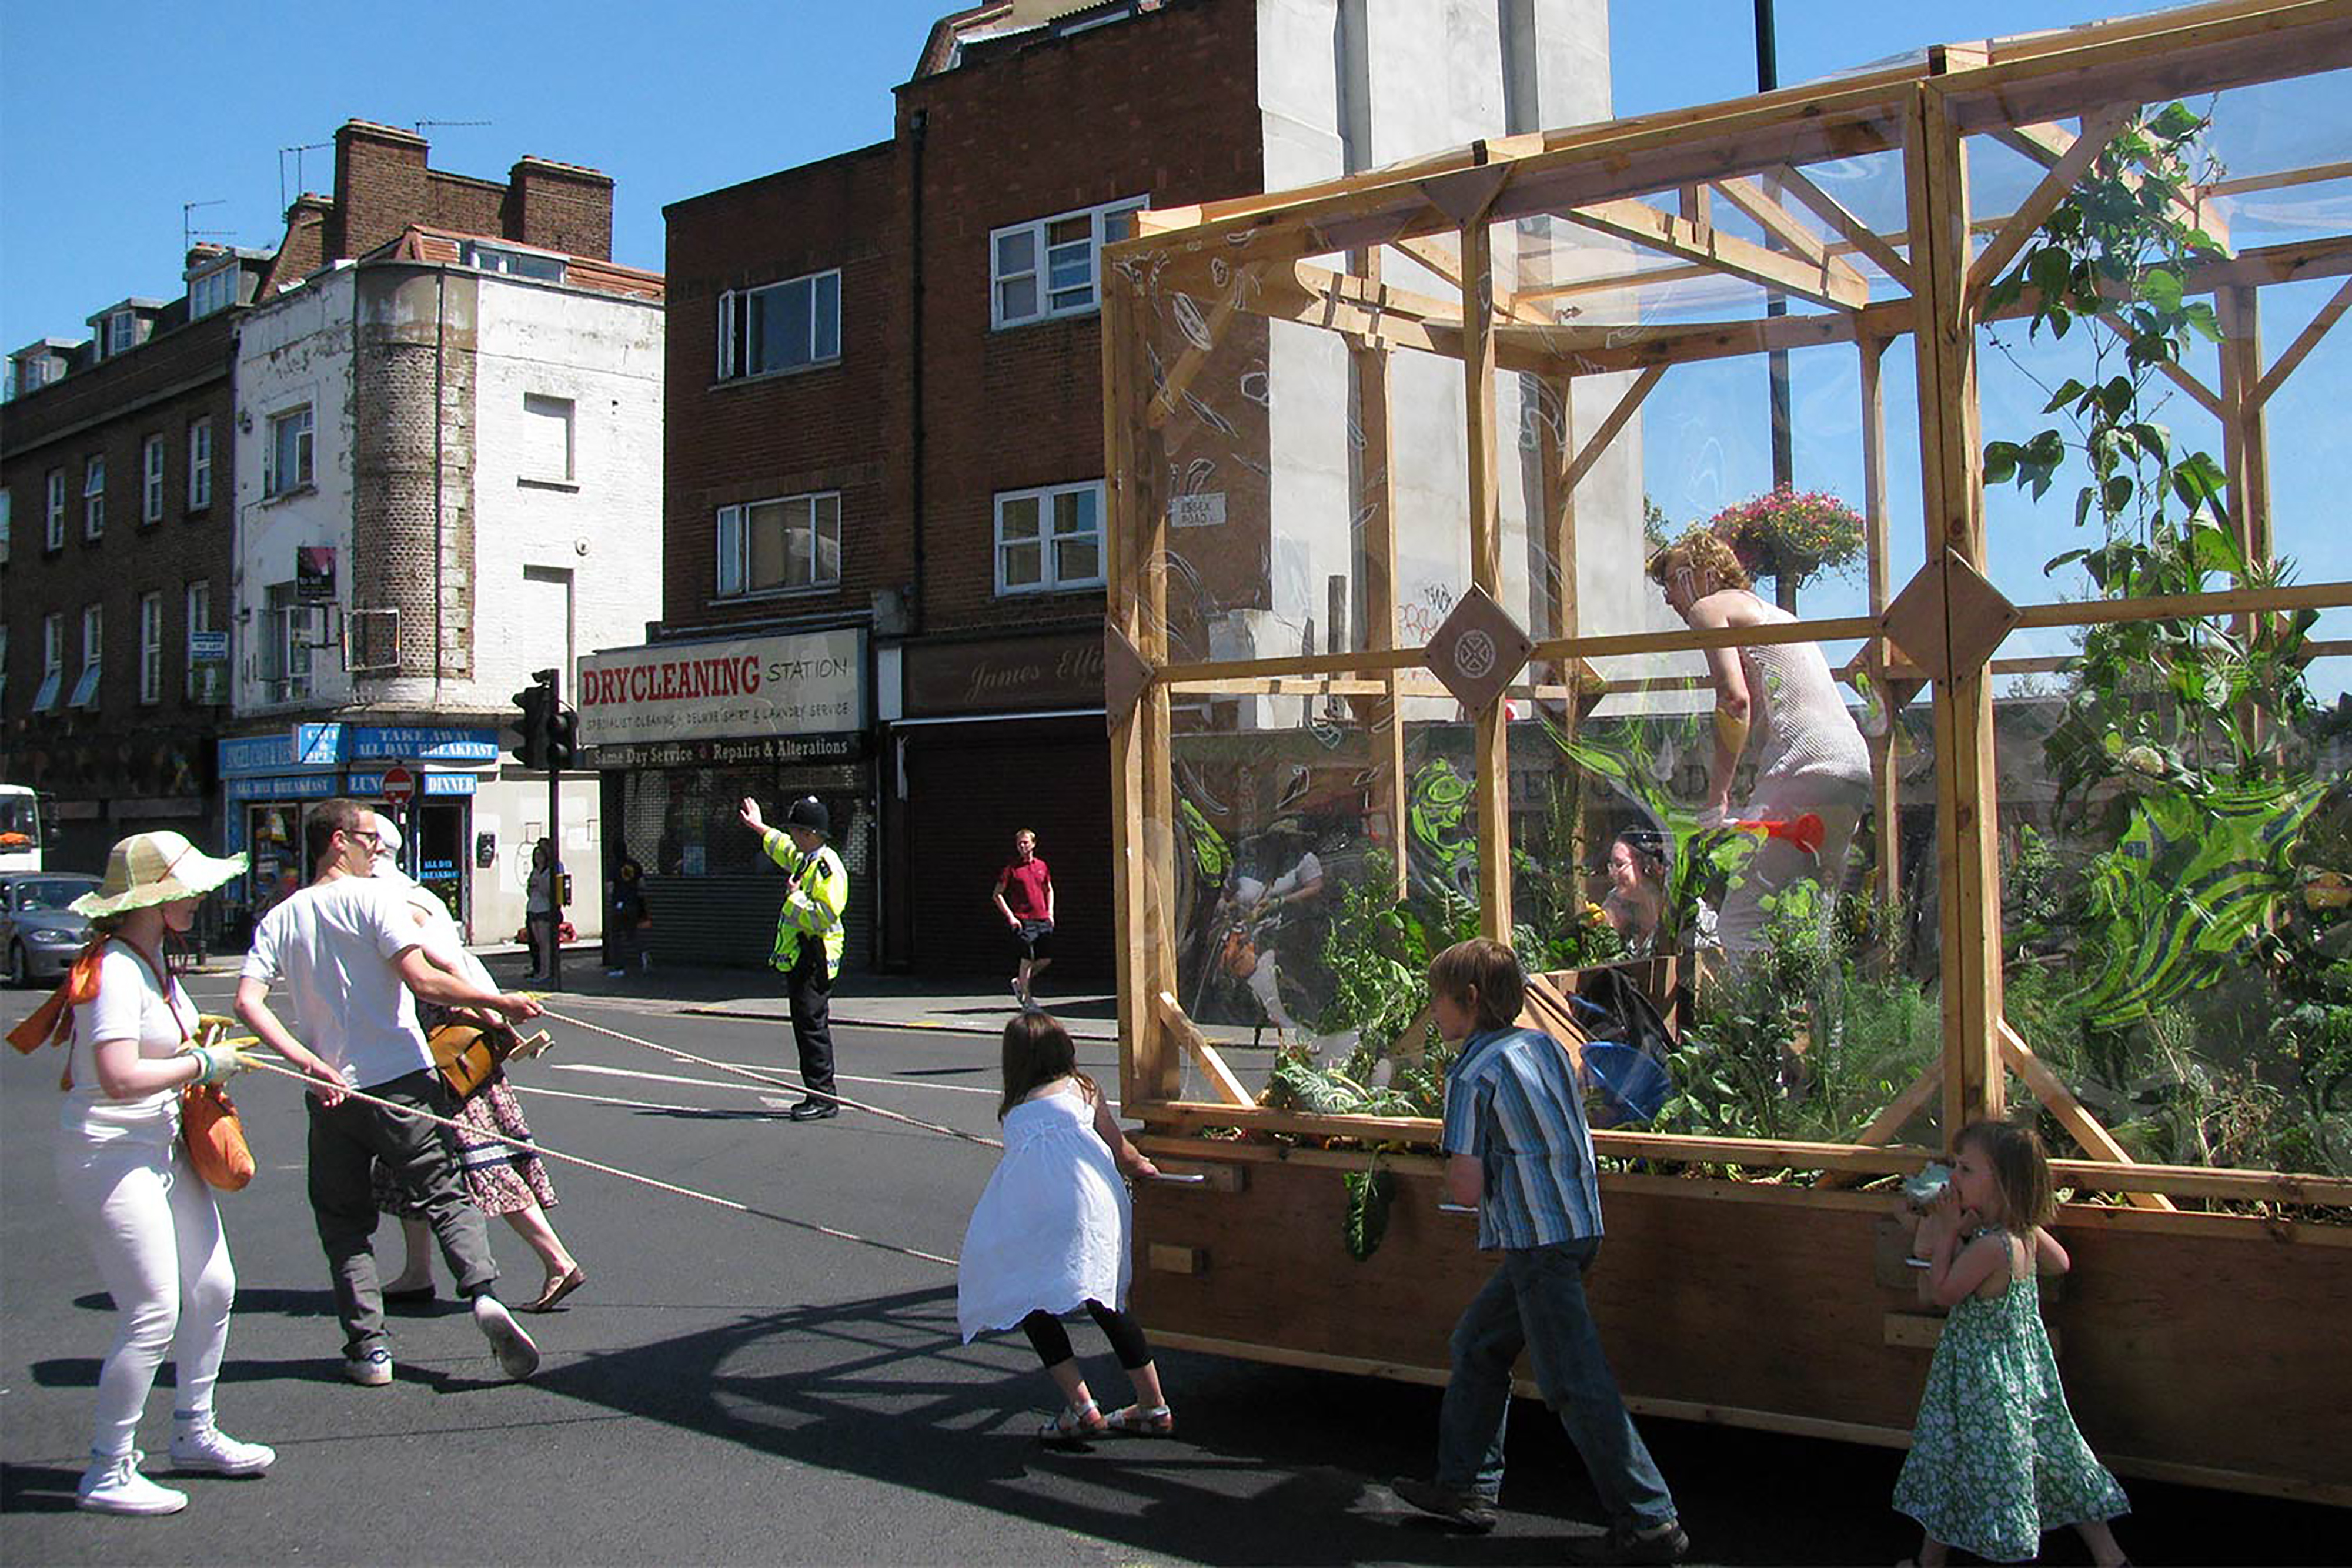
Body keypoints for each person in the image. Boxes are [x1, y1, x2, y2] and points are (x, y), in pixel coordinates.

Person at [31, 833, 336, 1515]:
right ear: (154, 898)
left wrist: (206, 1048)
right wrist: (203, 1066)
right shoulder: (112, 969)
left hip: (159, 1146)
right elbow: (116, 1076)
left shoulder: (152, 960)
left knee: (214, 1287)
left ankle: (194, 1432)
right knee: (152, 1311)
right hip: (110, 1154)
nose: (200, 899)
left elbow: (155, 1050)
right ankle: (109, 1469)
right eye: (187, 889)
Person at [1392, 938, 1688, 1564]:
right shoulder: (1548, 1047)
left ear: (1467, 1001)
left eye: (1437, 1000)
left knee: (1573, 1382)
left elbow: (1466, 1188)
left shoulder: (1471, 1072)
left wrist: (1453, 1167)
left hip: (1538, 1243)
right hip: (1578, 1228)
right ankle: (1464, 1487)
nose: (1432, 1012)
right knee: (1478, 1343)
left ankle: (1647, 1519)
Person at [233, 797, 546, 1388]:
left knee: (344, 1223)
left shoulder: (282, 916)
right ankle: (482, 1295)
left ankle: (369, 1349)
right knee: (445, 1194)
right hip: (403, 1080)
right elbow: (424, 977)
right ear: (338, 841)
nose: (377, 849)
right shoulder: (377, 900)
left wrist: (307, 1062)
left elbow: (248, 1004)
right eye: (369, 839)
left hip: (331, 1092)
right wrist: (499, 1002)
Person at [361, 815, 586, 1315]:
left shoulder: (398, 903)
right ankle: (418, 1270)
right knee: (408, 1158)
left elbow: (450, 966)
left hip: (441, 1043)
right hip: (432, 1039)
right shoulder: (413, 893)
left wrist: (497, 1012)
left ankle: (557, 1259)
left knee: (479, 1153)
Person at [1894, 1121, 2129, 1568]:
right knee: (2055, 1456)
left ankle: (1949, 1559)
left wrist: (1945, 1231)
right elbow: (2060, 1262)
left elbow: (1944, 1292)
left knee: (1961, 1460)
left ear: (2001, 1182)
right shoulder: (2020, 1234)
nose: (1954, 1177)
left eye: (1965, 1169)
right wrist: (2017, 1226)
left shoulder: (1990, 1248)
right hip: (2022, 1369)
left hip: (1980, 1379)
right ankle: (2110, 1555)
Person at [1647, 528, 1870, 960]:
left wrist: (1717, 799)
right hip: (1850, 766)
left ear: (1706, 573)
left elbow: (1734, 701)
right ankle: (1817, 1026)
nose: (1669, 597)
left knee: (1740, 921)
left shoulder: (1710, 608)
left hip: (1807, 764)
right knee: (1810, 927)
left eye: (1674, 579)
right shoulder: (1772, 614)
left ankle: (1748, 1028)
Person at [957, 1011, 1172, 1441]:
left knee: (1032, 1299)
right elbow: (1122, 1150)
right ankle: (1154, 1405)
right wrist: (1145, 1168)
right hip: (1096, 1203)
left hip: (1038, 1208)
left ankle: (1082, 1406)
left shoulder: (1016, 1108)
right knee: (1107, 1299)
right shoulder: (1085, 1089)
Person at [739, 794, 848, 1121]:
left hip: (814, 959)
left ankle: (824, 1098)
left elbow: (825, 917)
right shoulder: (806, 858)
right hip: (802, 959)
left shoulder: (828, 869)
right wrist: (759, 827)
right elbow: (782, 847)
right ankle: (816, 1094)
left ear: (811, 833)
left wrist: (796, 899)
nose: (794, 837)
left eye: (798, 831)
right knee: (806, 1027)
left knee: (812, 1028)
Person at [994, 828, 1056, 1005]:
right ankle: (1027, 1000)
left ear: (1034, 844)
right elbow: (997, 894)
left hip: (1042, 918)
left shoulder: (1042, 866)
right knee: (1027, 959)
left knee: (1046, 959)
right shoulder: (1012, 869)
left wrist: (1050, 911)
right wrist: (1011, 917)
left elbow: (1049, 889)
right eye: (1019, 844)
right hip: (1024, 920)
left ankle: (1020, 982)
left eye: (1026, 843)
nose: (1022, 846)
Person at [1598, 830, 1671, 957]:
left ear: (1646, 864)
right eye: (1611, 866)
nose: (1613, 874)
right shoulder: (1616, 901)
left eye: (1619, 865)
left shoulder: (1675, 906)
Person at [606, 855, 650, 979]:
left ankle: (619, 967)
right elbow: (642, 884)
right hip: (633, 904)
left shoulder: (613, 866)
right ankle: (642, 953)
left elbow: (610, 888)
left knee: (616, 937)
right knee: (632, 934)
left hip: (619, 905)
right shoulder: (635, 864)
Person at [524, 840, 559, 981]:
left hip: (545, 910)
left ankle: (547, 972)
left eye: (541, 855)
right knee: (538, 943)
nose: (538, 858)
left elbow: (549, 892)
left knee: (546, 944)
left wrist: (539, 883)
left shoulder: (549, 872)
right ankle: (540, 971)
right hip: (533, 908)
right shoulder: (535, 871)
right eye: (536, 856)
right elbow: (530, 891)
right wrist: (532, 886)